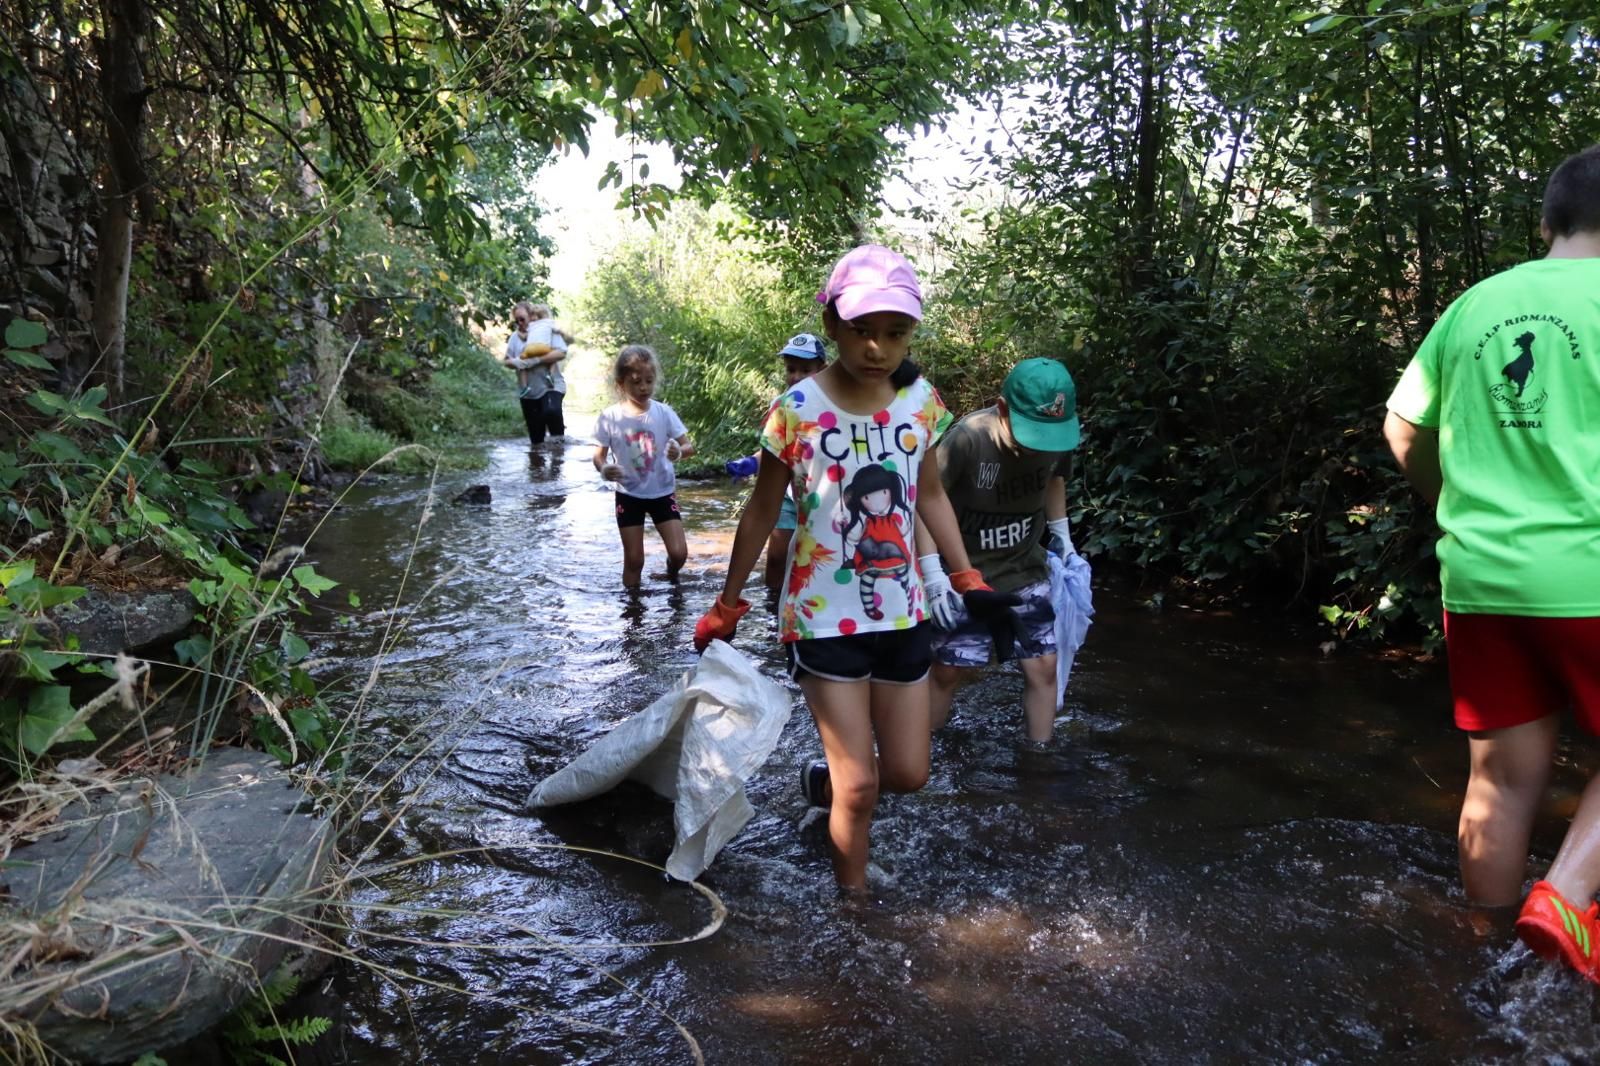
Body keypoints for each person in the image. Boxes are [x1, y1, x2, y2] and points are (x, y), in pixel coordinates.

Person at [692, 245, 1018, 895]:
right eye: (863, 330)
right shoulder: (796, 410)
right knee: (862, 785)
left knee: (907, 773)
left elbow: (928, 494)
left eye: (895, 334)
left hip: (901, 610)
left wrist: (965, 576)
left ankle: (822, 783)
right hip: (820, 617)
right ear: (835, 324)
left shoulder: (920, 402)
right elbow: (760, 512)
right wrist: (729, 602)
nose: (878, 348)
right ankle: (855, 915)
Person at [1383, 143, 1600, 983]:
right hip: (1587, 570)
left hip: (1478, 576)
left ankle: (1490, 968)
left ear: (1547, 221)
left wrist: (1449, 507)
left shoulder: (1477, 304)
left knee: (1502, 783)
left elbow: (1404, 430)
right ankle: (1568, 894)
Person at [918, 357, 1081, 745]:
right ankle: (923, 754)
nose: (1039, 445)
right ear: (1003, 408)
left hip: (1026, 568)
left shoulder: (1059, 435)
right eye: (1031, 432)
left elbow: (1057, 478)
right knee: (947, 670)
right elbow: (924, 502)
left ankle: (1039, 760)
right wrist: (933, 575)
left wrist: (1062, 535)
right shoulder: (968, 439)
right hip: (963, 575)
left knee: (1043, 667)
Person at [725, 332, 830, 591]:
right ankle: (774, 609)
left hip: (820, 495)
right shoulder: (781, 405)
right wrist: (751, 462)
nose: (796, 377)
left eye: (805, 370)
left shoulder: (833, 408)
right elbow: (775, 452)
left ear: (822, 370)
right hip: (785, 495)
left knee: (817, 557)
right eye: (791, 369)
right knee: (776, 557)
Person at [593, 344, 694, 587]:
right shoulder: (610, 417)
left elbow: (689, 447)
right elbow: (598, 456)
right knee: (635, 560)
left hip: (662, 492)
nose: (643, 388)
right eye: (636, 382)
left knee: (680, 553)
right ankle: (632, 611)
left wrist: (678, 452)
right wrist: (604, 468)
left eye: (649, 381)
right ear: (620, 383)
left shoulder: (664, 412)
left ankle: (671, 573)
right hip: (629, 496)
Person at [505, 302, 571, 446]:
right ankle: (537, 466)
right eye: (516, 321)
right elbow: (507, 361)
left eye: (522, 319)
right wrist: (517, 362)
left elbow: (561, 352)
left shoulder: (547, 331)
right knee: (536, 442)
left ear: (532, 316)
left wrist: (536, 360)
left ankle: (558, 462)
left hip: (551, 386)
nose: (519, 323)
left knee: (551, 412)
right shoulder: (514, 338)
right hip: (529, 393)